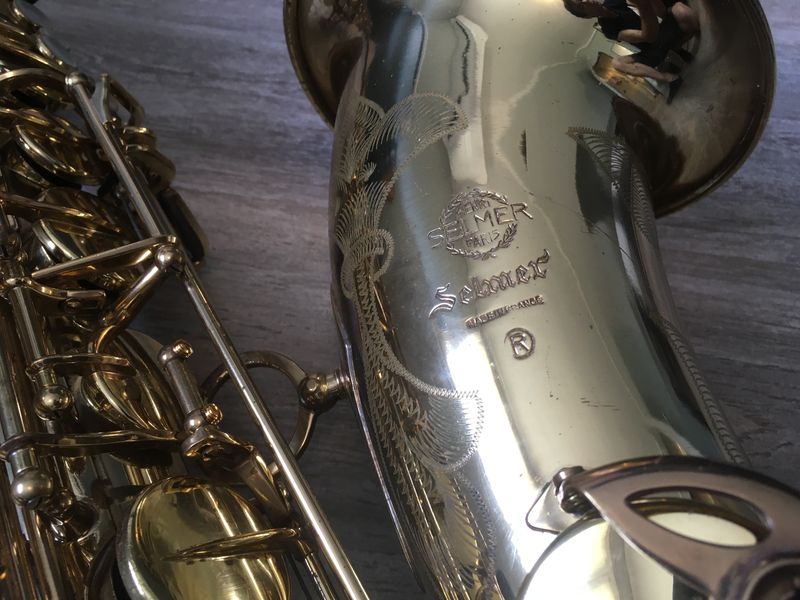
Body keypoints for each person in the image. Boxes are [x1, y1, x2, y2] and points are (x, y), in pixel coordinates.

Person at [563, 0, 699, 86]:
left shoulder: (611, 2)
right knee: (617, 63)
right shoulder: (607, 29)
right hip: (652, 50)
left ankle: (676, 47)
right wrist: (643, 5)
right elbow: (647, 36)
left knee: (680, 9)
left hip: (662, 32)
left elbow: (661, 11)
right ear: (587, 15)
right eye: (582, 4)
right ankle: (668, 78)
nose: (587, 1)